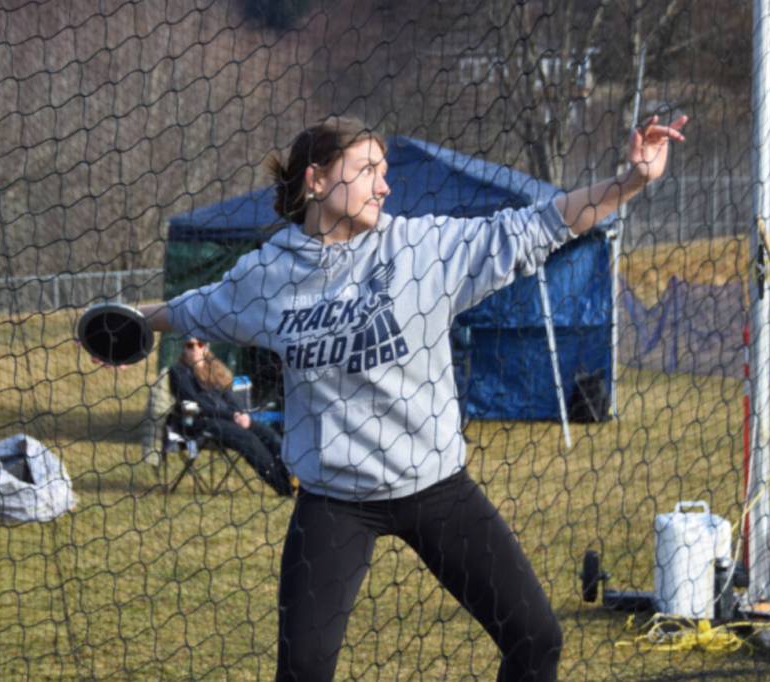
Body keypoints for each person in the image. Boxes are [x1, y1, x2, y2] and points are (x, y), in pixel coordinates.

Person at [129, 114, 686, 680]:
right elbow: (194, 308)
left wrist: (631, 181)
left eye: (384, 170)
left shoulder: (421, 250)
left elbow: (538, 226)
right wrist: (124, 322)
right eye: (367, 169)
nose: (384, 185)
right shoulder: (267, 276)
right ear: (316, 181)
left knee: (536, 637)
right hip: (334, 501)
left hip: (436, 488)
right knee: (301, 672)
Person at [142, 335, 294, 497]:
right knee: (249, 440)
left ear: (205, 347)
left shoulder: (215, 369)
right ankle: (284, 487)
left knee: (268, 434)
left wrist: (241, 414)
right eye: (189, 346)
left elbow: (230, 398)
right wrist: (232, 415)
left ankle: (293, 478)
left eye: (199, 344)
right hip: (197, 422)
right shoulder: (178, 372)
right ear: (184, 349)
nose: (195, 349)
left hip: (226, 418)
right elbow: (196, 403)